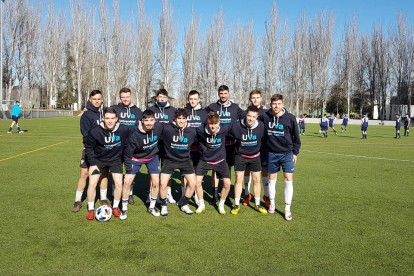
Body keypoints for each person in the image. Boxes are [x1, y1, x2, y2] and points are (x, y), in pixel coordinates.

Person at [84, 107, 130, 220]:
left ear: (117, 119)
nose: (110, 121)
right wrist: (93, 163)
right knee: (92, 183)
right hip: (98, 160)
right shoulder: (95, 131)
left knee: (119, 184)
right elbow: (88, 148)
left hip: (115, 160)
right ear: (103, 118)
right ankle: (90, 209)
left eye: (112, 118)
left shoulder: (124, 129)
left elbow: (136, 135)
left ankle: (115, 207)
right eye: (107, 118)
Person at [262, 94, 301, 221]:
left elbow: (297, 138)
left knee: (288, 180)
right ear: (270, 104)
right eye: (274, 104)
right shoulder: (265, 116)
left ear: (283, 104)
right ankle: (272, 204)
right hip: (272, 153)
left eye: (279, 103)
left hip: (287, 154)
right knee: (272, 180)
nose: (276, 106)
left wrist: (295, 153)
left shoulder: (290, 118)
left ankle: (287, 209)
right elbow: (251, 116)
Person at [72, 90, 109, 213]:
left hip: (104, 149)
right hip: (90, 148)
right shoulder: (86, 115)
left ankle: (103, 198)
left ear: (102, 99)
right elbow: (86, 134)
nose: (97, 101)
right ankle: (78, 201)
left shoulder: (106, 112)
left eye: (99, 99)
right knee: (84, 174)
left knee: (104, 173)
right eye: (94, 99)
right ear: (90, 100)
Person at [206, 85, 243, 205]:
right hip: (216, 143)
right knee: (215, 170)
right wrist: (186, 109)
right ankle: (215, 196)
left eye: (225, 93)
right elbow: (199, 113)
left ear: (228, 94)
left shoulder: (235, 107)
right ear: (218, 94)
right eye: (221, 93)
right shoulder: (212, 107)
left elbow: (247, 116)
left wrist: (260, 109)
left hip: (230, 144)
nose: (223, 95)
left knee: (227, 170)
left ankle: (225, 196)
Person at [122, 110, 162, 219]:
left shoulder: (158, 127)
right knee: (127, 182)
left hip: (152, 157)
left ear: (155, 120)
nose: (149, 123)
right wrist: (128, 171)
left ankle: (152, 207)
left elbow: (173, 127)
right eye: (146, 120)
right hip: (136, 158)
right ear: (142, 121)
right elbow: (127, 154)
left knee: (155, 182)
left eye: (151, 120)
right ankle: (124, 209)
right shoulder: (134, 134)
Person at [158, 108, 197, 216]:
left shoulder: (192, 131)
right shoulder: (166, 129)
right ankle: (164, 206)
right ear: (175, 118)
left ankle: (184, 204)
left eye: (183, 118)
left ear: (186, 119)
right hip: (169, 160)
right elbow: (154, 128)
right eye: (179, 118)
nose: (181, 121)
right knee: (162, 184)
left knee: (193, 183)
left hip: (185, 160)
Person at [229, 105, 267, 215]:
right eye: (249, 115)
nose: (250, 118)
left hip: (255, 156)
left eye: (253, 116)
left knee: (257, 180)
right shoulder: (236, 126)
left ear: (257, 117)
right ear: (246, 114)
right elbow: (226, 134)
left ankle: (257, 203)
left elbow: (264, 138)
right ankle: (236, 204)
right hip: (240, 156)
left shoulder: (261, 126)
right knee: (238, 180)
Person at [194, 112, 232, 215]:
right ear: (207, 123)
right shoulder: (200, 130)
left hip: (220, 160)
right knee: (196, 182)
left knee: (227, 184)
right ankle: (201, 204)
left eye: (215, 123)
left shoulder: (224, 128)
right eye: (211, 123)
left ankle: (221, 204)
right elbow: (190, 131)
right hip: (204, 160)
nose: (213, 126)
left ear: (219, 123)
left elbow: (236, 125)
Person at [111, 88, 142, 205]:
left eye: (127, 96)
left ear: (131, 96)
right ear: (120, 97)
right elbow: (100, 115)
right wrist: (87, 109)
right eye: (123, 97)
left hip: (132, 147)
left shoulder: (138, 111)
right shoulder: (114, 109)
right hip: (117, 146)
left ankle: (129, 194)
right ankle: (114, 194)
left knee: (130, 172)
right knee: (116, 171)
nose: (125, 99)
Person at [146, 89, 177, 203]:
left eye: (164, 97)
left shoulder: (173, 110)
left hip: (168, 144)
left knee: (166, 170)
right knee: (153, 170)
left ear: (167, 98)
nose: (162, 99)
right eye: (160, 97)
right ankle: (151, 194)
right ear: (157, 98)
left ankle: (168, 194)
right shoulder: (151, 110)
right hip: (153, 143)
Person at [179, 90, 208, 204]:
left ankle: (196, 194)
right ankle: (184, 195)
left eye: (195, 99)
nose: (193, 101)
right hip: (185, 147)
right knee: (185, 173)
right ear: (188, 99)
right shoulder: (183, 111)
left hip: (199, 147)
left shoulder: (204, 112)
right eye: (191, 99)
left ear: (199, 99)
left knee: (197, 173)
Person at [242, 90, 269, 207]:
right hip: (248, 146)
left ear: (261, 98)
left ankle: (266, 195)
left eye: (257, 97)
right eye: (253, 97)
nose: (255, 100)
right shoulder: (244, 112)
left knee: (264, 170)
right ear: (250, 99)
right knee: (247, 170)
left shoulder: (266, 112)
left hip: (263, 146)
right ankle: (247, 194)